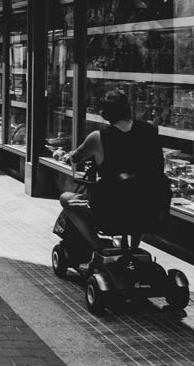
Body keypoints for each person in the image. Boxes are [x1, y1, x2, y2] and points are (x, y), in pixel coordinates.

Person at [54, 90, 170, 250]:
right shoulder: (150, 129)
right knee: (140, 187)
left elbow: (76, 157)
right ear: (129, 108)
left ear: (104, 113)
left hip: (110, 208)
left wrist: (68, 156)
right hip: (150, 206)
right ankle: (134, 247)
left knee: (66, 198)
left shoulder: (98, 137)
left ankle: (98, 246)